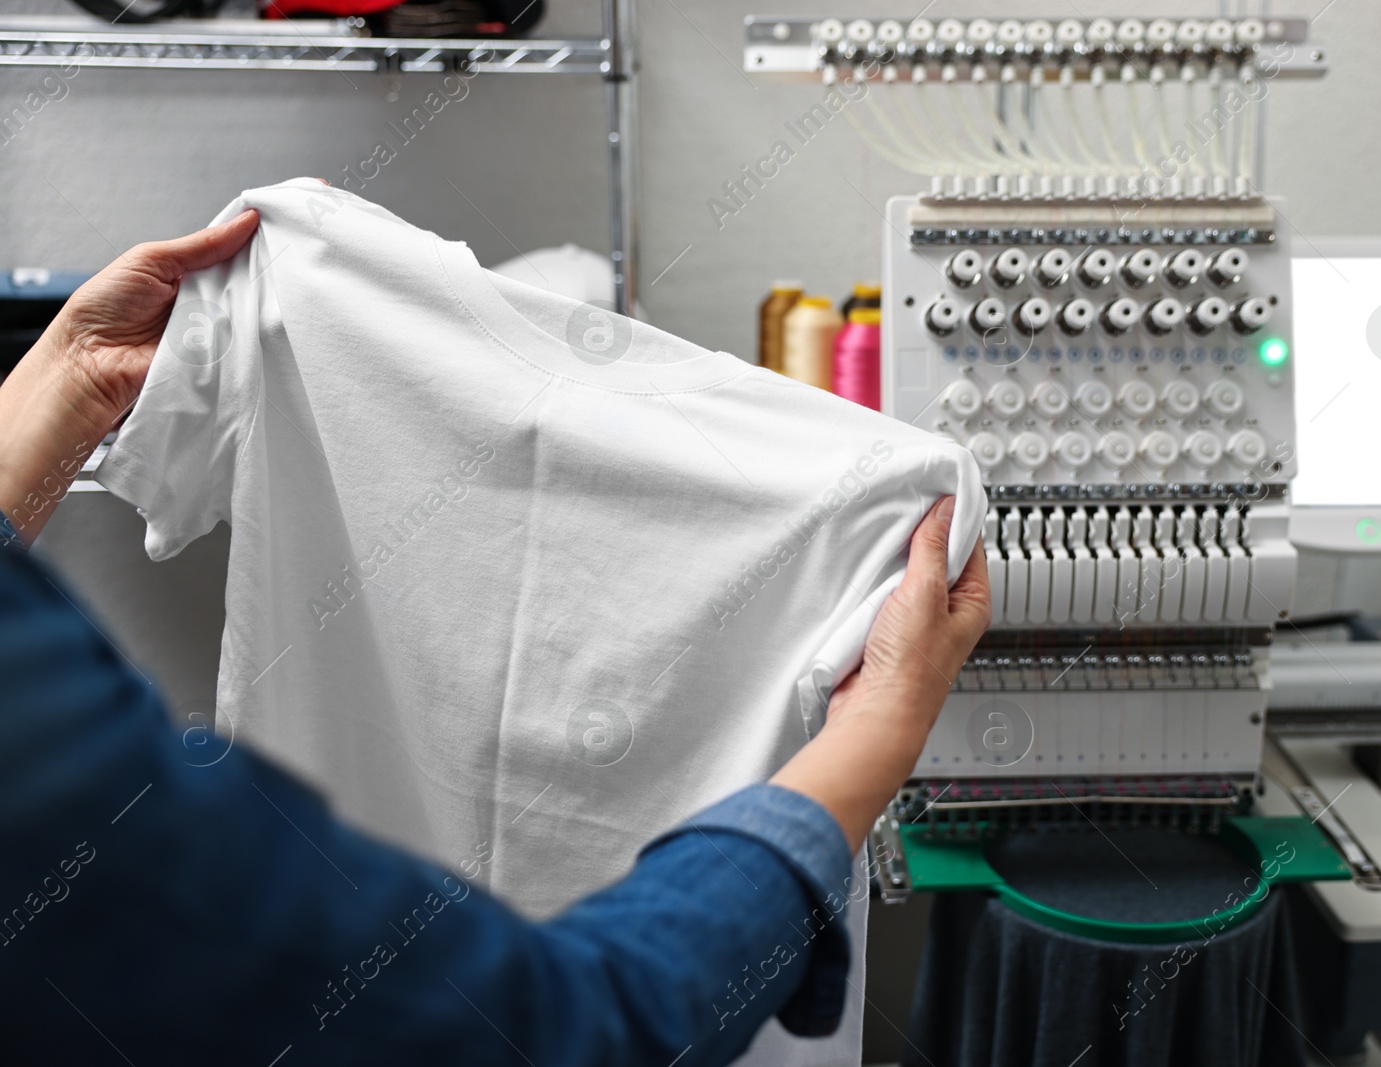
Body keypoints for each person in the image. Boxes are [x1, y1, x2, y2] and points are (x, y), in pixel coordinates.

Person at [0, 212, 989, 1064]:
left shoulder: (874, 500)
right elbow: (568, 1030)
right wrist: (882, 725)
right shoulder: (58, 779)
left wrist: (78, 374)